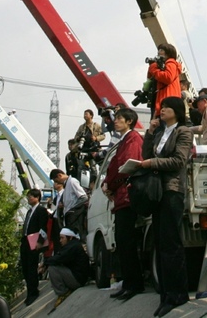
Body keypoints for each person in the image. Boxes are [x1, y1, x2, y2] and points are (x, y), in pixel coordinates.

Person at [139, 96, 192, 316]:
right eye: (162, 107)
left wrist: (153, 163)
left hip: (172, 189)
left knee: (171, 243)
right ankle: (165, 294)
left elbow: (179, 161)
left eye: (167, 107)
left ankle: (177, 294)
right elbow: (145, 155)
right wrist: (150, 133)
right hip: (157, 191)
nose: (162, 110)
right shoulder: (160, 132)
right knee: (160, 244)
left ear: (177, 111)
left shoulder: (183, 132)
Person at [101, 108, 145, 301]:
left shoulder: (133, 139)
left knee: (126, 242)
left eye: (119, 119)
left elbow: (124, 166)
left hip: (127, 196)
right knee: (122, 242)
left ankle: (134, 284)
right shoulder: (123, 141)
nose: (115, 121)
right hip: (120, 196)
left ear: (129, 121)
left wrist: (109, 184)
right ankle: (128, 283)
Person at [42, 228, 90, 309]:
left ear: (70, 237)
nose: (60, 240)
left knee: (52, 268)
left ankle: (63, 293)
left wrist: (45, 263)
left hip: (78, 280)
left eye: (62, 238)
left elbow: (59, 258)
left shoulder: (72, 246)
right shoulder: (72, 245)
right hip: (79, 277)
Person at [20, 189, 49, 306]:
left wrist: (40, 242)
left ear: (37, 197)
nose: (28, 199)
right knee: (25, 267)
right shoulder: (29, 212)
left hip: (34, 242)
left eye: (30, 196)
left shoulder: (41, 210)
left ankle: (33, 291)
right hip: (25, 242)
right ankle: (29, 292)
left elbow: (43, 227)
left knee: (32, 267)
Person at [49, 169, 88, 238]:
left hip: (75, 216)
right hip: (68, 217)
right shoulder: (66, 186)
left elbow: (83, 197)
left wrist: (73, 210)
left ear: (59, 175)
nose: (57, 183)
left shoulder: (72, 181)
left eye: (56, 180)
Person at [147, 43, 182, 116]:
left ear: (168, 52)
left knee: (163, 124)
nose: (158, 52)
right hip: (161, 99)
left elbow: (168, 78)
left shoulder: (171, 63)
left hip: (167, 100)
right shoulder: (162, 65)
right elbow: (150, 79)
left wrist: (154, 69)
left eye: (161, 50)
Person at [73, 109, 105, 189]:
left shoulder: (96, 125)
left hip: (93, 149)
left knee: (93, 168)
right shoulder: (82, 127)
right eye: (84, 114)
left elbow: (103, 135)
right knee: (81, 168)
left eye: (86, 114)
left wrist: (96, 138)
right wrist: (79, 139)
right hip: (83, 150)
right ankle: (82, 185)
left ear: (91, 115)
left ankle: (94, 184)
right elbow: (75, 137)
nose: (85, 116)